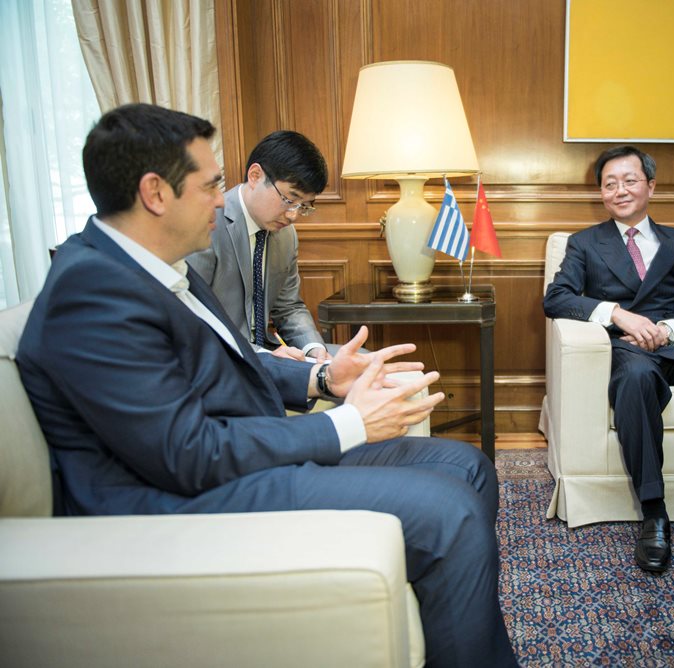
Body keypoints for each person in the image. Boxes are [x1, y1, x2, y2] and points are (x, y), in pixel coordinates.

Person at [16, 103, 518, 668]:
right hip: (176, 496)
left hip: (236, 450)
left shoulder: (155, 266)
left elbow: (232, 355)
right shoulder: (92, 292)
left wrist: (322, 375)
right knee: (450, 512)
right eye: (210, 185)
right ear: (155, 193)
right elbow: (186, 454)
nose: (220, 199)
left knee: (466, 466)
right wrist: (348, 424)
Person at [543, 145, 674, 575]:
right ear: (601, 193)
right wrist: (617, 313)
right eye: (610, 184)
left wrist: (669, 329)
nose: (619, 190)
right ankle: (654, 510)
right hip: (626, 346)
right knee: (637, 379)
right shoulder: (585, 243)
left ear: (651, 186)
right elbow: (557, 298)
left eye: (629, 180)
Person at [186, 130, 336, 362]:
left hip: (266, 353)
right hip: (221, 357)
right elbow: (195, 317)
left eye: (304, 206)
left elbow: (289, 307)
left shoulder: (286, 235)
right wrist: (266, 358)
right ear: (255, 176)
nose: (293, 215)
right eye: (289, 200)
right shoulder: (207, 223)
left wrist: (313, 349)